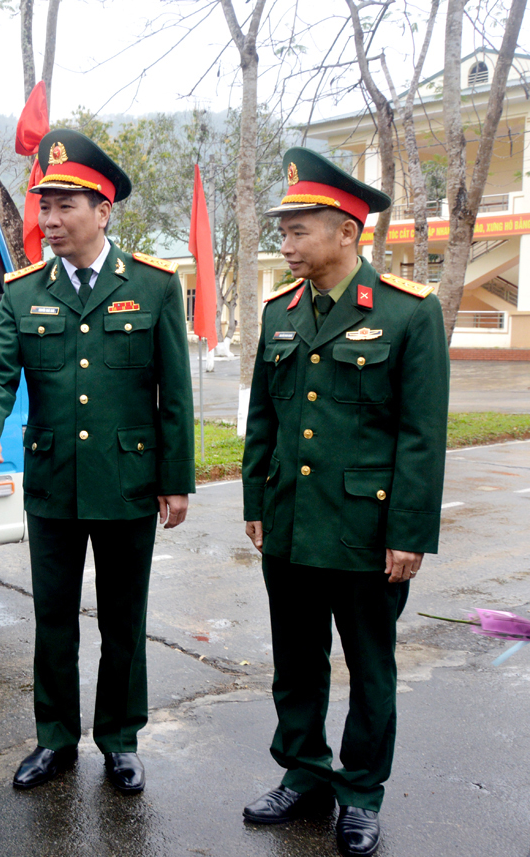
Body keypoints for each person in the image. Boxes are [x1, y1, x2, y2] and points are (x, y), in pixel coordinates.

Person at [0, 129, 195, 794]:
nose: (50, 219)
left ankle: (120, 738)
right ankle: (54, 737)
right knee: (53, 618)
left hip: (128, 480)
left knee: (125, 616)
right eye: (45, 205)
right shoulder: (23, 291)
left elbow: (173, 395)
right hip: (53, 482)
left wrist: (176, 480)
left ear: (104, 210)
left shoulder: (152, 287)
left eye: (65, 205)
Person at [240, 147, 448, 857]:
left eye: (300, 230)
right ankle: (304, 772)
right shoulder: (279, 313)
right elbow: (263, 418)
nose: (287, 244)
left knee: (369, 666)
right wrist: (255, 498)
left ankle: (360, 790)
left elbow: (422, 435)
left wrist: (410, 531)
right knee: (295, 660)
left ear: (347, 232)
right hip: (291, 522)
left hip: (367, 530)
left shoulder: (407, 313)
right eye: (284, 230)